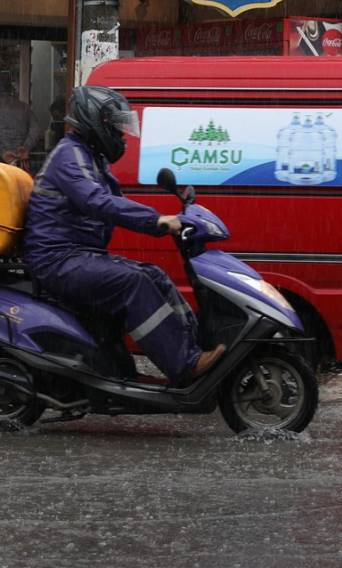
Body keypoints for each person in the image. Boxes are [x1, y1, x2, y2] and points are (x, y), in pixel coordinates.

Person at [21, 86, 224, 384]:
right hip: (58, 259)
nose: (121, 135)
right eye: (115, 127)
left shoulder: (92, 157)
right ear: (94, 121)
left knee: (153, 273)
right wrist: (156, 220)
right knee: (134, 283)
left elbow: (115, 202)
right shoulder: (70, 155)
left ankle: (197, 348)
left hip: (79, 255)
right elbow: (98, 202)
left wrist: (170, 215)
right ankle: (184, 365)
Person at [0, 72, 42, 167]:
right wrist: (26, 147)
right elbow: (35, 131)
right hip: (19, 158)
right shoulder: (24, 107)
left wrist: (1, 152)